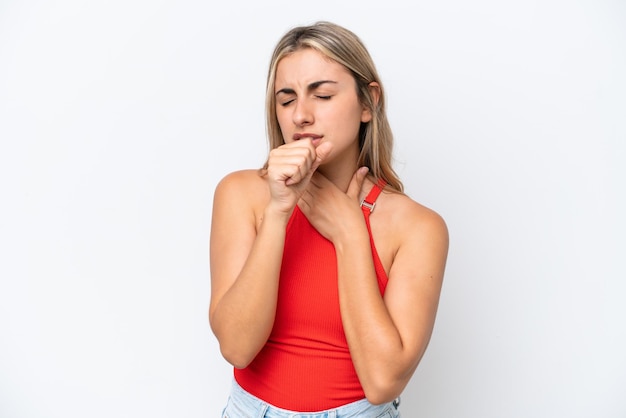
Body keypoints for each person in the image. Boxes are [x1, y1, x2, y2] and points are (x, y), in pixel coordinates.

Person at [209, 21, 449, 417]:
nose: (301, 115)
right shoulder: (242, 195)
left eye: (321, 95)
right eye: (286, 100)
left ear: (368, 103)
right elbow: (236, 347)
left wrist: (350, 234)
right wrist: (277, 212)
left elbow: (382, 381)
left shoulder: (418, 227)